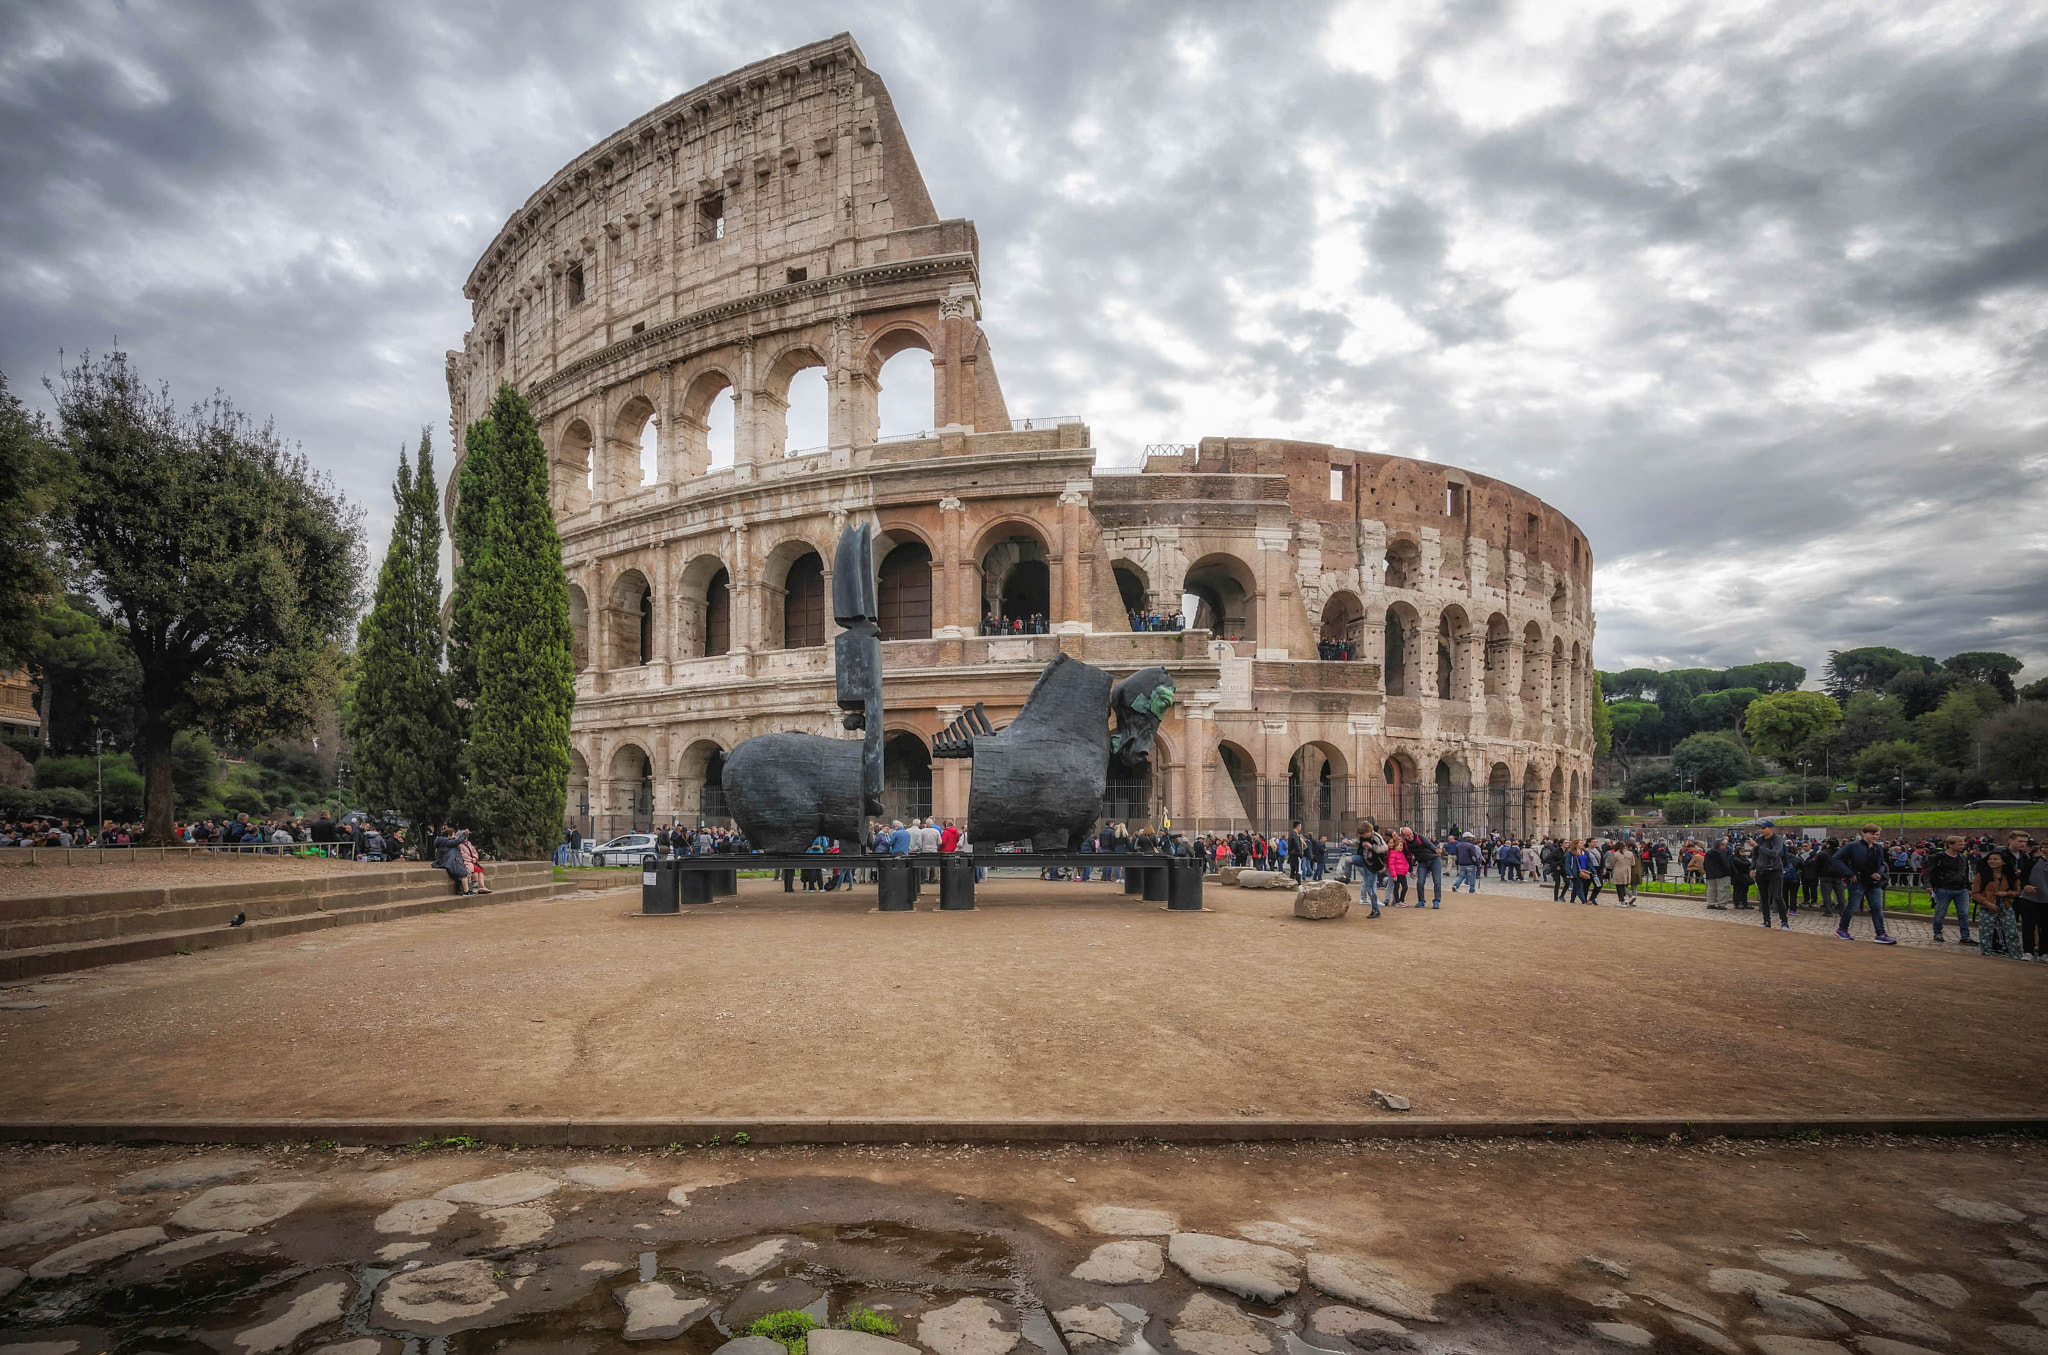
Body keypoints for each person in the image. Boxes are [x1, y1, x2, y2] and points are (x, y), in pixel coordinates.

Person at [1833, 823, 1898, 945]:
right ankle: (1842, 929)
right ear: (1864, 833)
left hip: (1873, 881)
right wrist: (1849, 873)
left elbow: (1882, 864)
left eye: (1877, 835)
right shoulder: (1852, 846)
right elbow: (1836, 858)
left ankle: (1880, 933)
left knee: (1877, 907)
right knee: (1853, 905)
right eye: (1872, 834)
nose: (1875, 837)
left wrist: (1879, 873)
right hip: (1858, 880)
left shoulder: (1878, 848)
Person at [1973, 849, 2023, 960]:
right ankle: (1986, 955)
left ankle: (2016, 955)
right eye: (1990, 859)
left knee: (2011, 932)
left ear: (2003, 862)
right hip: (1987, 907)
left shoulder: (2011, 876)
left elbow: (2017, 892)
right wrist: (1986, 902)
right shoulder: (1981, 875)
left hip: (2006, 906)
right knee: (1986, 933)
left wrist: (2006, 893)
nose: (1992, 861)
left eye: (1995, 859)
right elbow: (1975, 893)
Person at [1925, 835, 1975, 945]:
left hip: (1961, 889)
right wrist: (1928, 885)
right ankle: (1938, 933)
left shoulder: (1963, 858)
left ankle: (1965, 936)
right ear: (1950, 845)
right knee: (1940, 912)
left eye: (1963, 844)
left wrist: (1968, 887)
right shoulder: (1938, 857)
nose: (1963, 846)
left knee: (1963, 914)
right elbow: (1928, 872)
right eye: (1960, 844)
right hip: (1944, 888)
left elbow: (1965, 874)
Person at [1750, 820, 1791, 930]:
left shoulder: (1777, 839)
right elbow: (1755, 855)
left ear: (1771, 828)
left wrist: (1758, 846)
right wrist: (1752, 868)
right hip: (1761, 871)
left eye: (1763, 828)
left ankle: (1784, 922)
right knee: (1764, 897)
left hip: (1774, 870)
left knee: (1778, 897)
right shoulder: (1759, 840)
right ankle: (1766, 920)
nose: (1761, 830)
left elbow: (1774, 853)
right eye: (1760, 828)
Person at [1605, 838, 1638, 906]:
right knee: (1624, 885)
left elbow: (1612, 863)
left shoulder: (1616, 854)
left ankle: (1622, 900)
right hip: (1627, 871)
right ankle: (1627, 898)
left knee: (1619, 887)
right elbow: (1633, 863)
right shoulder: (1630, 853)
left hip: (1618, 871)